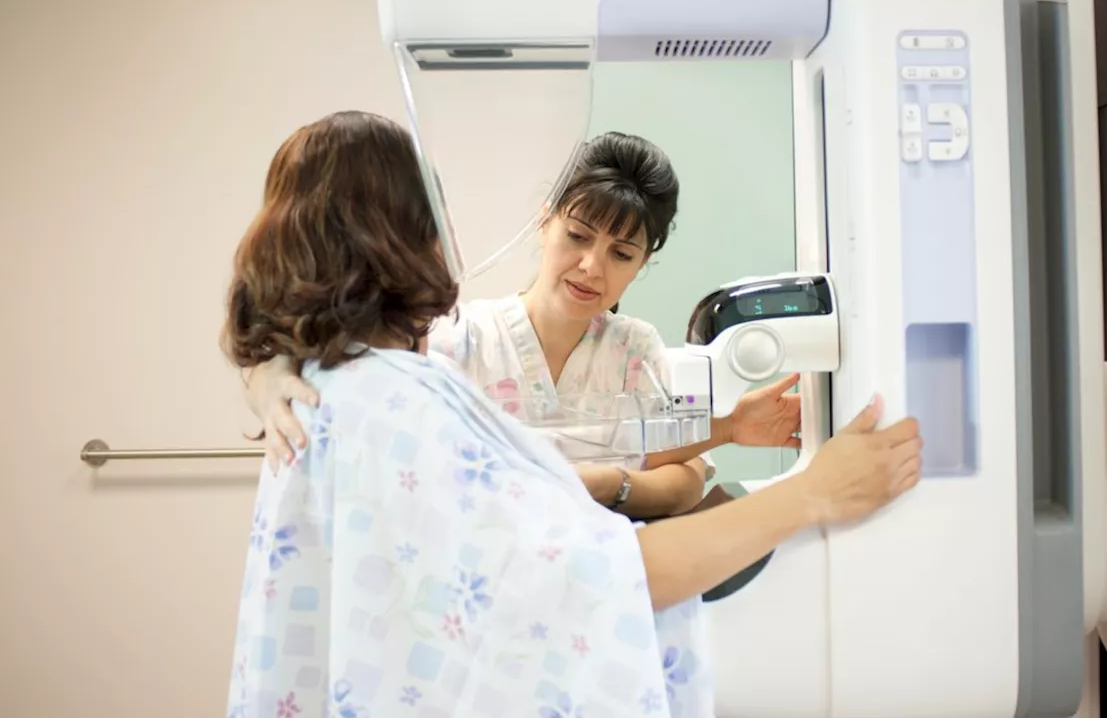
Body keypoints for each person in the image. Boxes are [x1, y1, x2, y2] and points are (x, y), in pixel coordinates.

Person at [222, 111, 921, 717]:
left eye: (622, 252)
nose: (592, 266)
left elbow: (668, 467)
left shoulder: (345, 381)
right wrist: (814, 491)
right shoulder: (427, 375)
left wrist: (706, 439)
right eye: (434, 220)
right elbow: (597, 576)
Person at [246, 131, 806, 519]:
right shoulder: (457, 336)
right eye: (579, 236)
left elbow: (684, 479)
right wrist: (267, 375)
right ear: (545, 222)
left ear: (642, 264)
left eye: (622, 254)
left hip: (610, 577)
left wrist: (607, 484)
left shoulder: (635, 348)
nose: (592, 268)